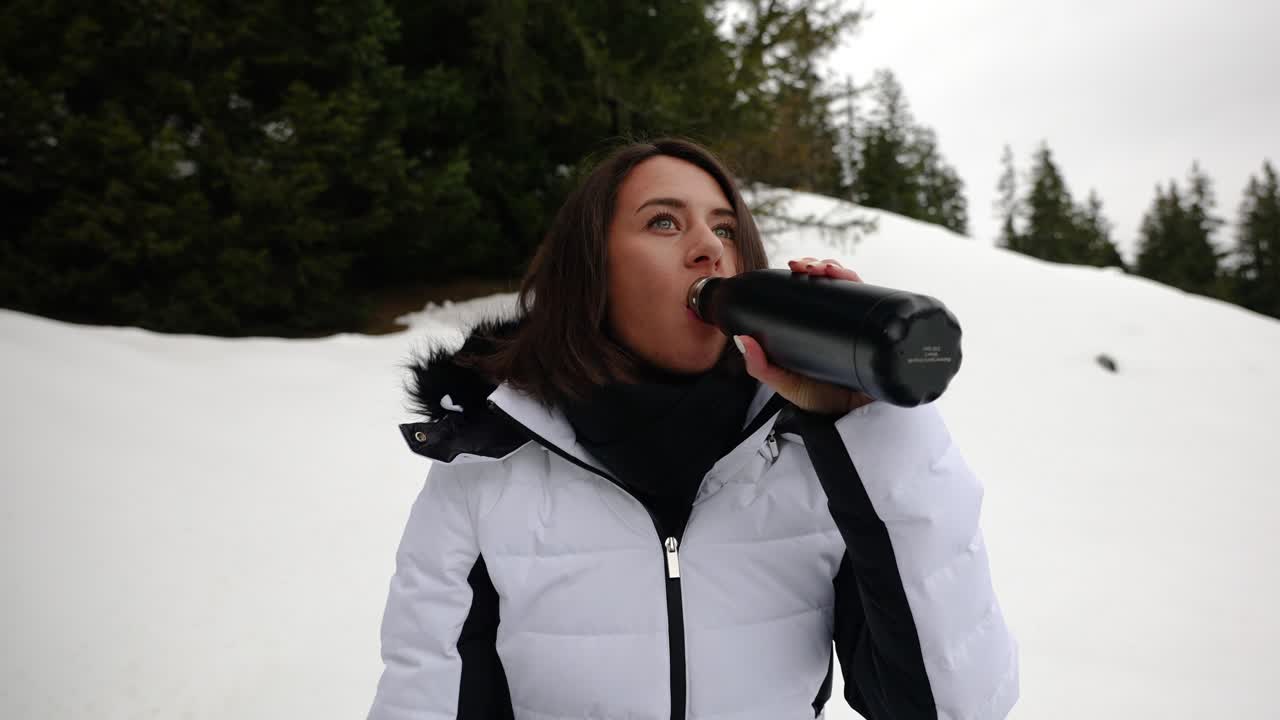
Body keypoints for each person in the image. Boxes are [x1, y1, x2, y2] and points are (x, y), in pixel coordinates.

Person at [367, 138, 1019, 720]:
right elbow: (423, 699)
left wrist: (873, 421)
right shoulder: (486, 467)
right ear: (592, 270)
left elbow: (952, 708)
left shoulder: (815, 463)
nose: (709, 247)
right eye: (662, 222)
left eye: (727, 229)